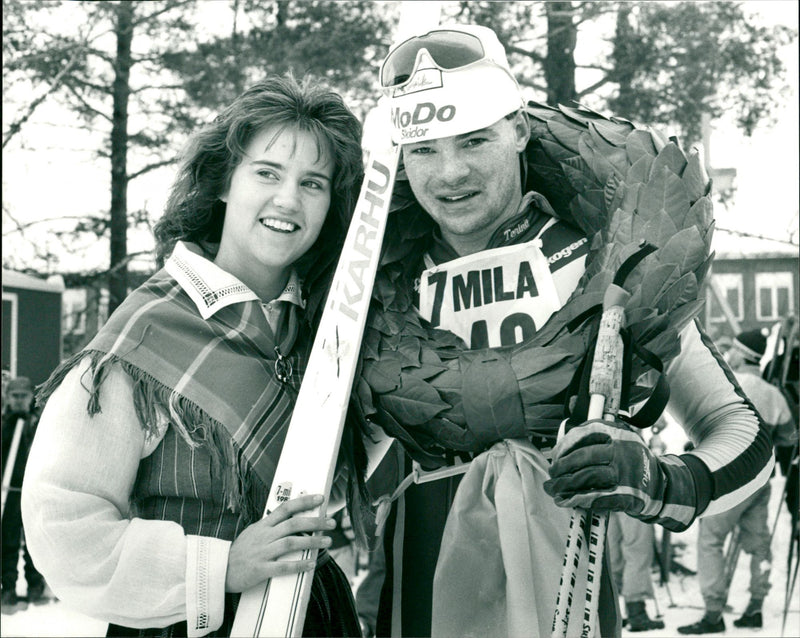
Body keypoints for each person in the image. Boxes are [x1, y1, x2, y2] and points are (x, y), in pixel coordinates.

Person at [353, 24, 774, 637]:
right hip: (415, 596)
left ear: (520, 128)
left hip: (569, 590)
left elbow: (743, 433)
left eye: (474, 140)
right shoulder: (366, 286)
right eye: (422, 150)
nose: (449, 173)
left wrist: (657, 480)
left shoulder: (604, 264)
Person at [21, 74, 366, 637]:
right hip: (183, 626)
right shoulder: (145, 333)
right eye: (267, 172)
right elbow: (61, 523)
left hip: (315, 616)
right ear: (224, 181)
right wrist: (221, 567)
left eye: (314, 183)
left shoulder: (333, 324)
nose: (288, 199)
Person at [678, 329, 797, 634]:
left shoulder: (730, 388)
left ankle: (714, 613)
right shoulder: (773, 394)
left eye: (733, 350)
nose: (727, 354)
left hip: (727, 480)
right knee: (758, 545)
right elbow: (788, 437)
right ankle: (756, 606)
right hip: (761, 481)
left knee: (710, 541)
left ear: (743, 354)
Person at [1, 376, 46, 613]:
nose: (19, 401)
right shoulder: (4, 424)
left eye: (23, 396)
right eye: (14, 396)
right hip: (8, 494)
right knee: (7, 540)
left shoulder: (38, 424)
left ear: (31, 398)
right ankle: (7, 587)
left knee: (33, 541)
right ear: (8, 398)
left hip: (32, 492)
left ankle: (35, 586)